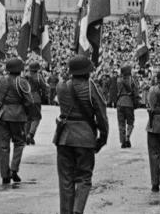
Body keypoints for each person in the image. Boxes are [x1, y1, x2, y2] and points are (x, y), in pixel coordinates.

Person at [54, 55, 108, 214]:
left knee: (65, 180)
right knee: (84, 178)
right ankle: (77, 211)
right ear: (87, 72)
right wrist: (102, 138)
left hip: (64, 137)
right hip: (85, 137)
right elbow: (101, 114)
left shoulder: (61, 86)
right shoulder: (91, 87)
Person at [0, 58, 33, 184]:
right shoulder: (22, 82)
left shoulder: (0, 80)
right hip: (17, 115)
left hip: (3, 114)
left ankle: (4, 174)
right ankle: (14, 169)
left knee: (3, 145)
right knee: (19, 143)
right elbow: (29, 101)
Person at [116, 65, 139, 148]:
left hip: (119, 102)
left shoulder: (118, 80)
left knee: (121, 123)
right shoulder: (132, 80)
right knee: (130, 122)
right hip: (129, 103)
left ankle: (122, 141)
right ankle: (127, 138)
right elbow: (136, 91)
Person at [25, 62, 48, 145]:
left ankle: (26, 136)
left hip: (26, 98)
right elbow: (44, 87)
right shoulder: (39, 76)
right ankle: (30, 134)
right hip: (35, 98)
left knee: (28, 118)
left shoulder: (25, 75)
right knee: (36, 118)